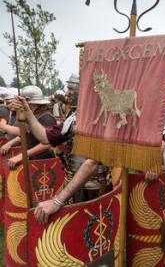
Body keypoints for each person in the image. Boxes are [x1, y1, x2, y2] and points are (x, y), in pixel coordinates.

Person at [11, 75, 110, 224]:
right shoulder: (76, 117)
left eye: (72, 90)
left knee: (91, 231)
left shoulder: (104, 120)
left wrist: (57, 200)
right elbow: (45, 137)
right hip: (71, 183)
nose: (69, 93)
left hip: (94, 187)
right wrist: (28, 112)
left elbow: (92, 163)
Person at [0, 86, 56, 168]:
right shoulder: (33, 114)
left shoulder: (46, 117)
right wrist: (10, 143)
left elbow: (47, 144)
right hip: (33, 157)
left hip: (44, 160)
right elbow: (26, 133)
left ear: (29, 101)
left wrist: (22, 155)